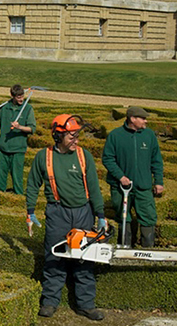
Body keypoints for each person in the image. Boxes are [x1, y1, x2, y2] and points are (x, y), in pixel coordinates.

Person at [25, 114, 107, 321]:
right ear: (58, 135)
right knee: (54, 257)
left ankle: (86, 305)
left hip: (83, 212)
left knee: (84, 258)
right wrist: (30, 211)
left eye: (77, 135)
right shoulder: (44, 157)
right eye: (72, 136)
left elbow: (94, 188)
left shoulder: (83, 156)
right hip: (57, 212)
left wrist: (100, 215)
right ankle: (50, 302)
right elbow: (33, 184)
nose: (76, 140)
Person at [101, 106, 164, 248]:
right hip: (120, 187)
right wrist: (121, 177)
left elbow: (156, 160)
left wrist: (158, 181)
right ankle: (125, 247)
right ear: (132, 119)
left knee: (148, 217)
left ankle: (148, 250)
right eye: (142, 118)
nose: (145, 121)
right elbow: (108, 158)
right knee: (123, 217)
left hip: (143, 186)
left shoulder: (149, 136)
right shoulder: (115, 135)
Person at [0, 84, 36, 194]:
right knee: (0, 175)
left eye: (22, 96)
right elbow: (0, 125)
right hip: (2, 148)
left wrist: (19, 127)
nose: (21, 99)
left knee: (17, 177)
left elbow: (32, 129)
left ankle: (18, 198)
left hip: (18, 149)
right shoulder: (4, 107)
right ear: (12, 96)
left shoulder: (28, 109)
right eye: (18, 97)